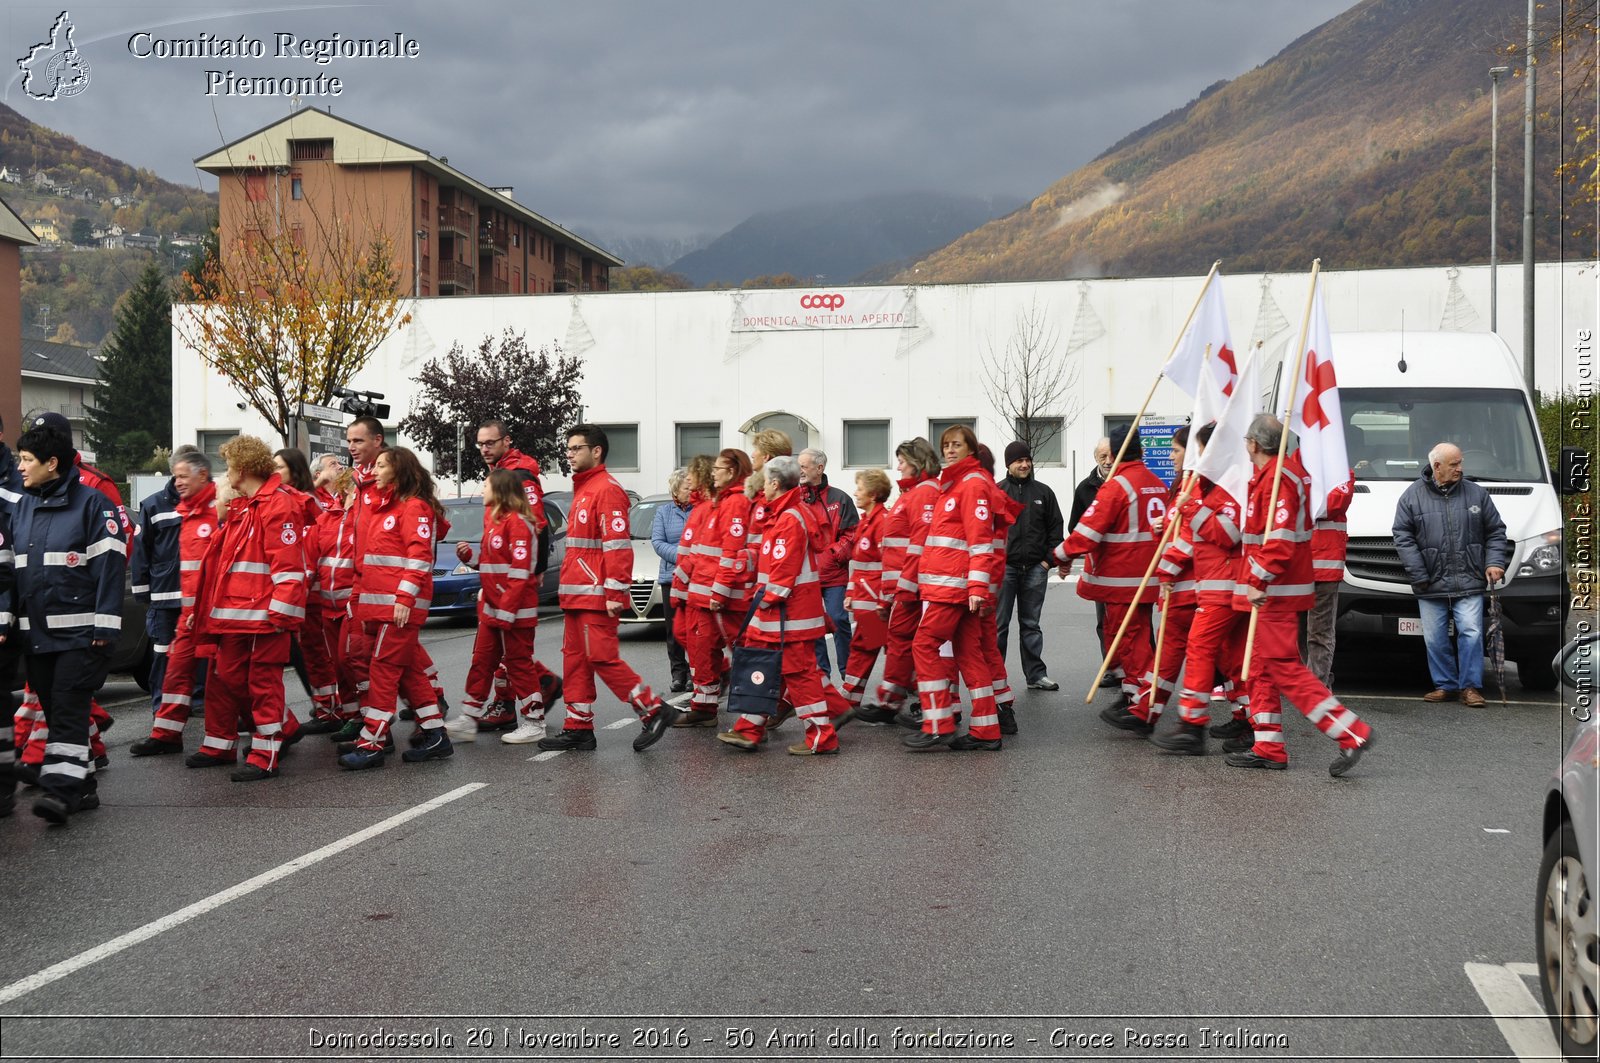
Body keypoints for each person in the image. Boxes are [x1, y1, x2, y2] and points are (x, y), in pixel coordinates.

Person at [1226, 414, 1376, 776]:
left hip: (1275, 592)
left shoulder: (1279, 479)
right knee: (1261, 668)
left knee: (1285, 670)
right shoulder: (1271, 476)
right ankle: (1269, 745)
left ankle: (1351, 732)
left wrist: (1257, 580)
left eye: (1247, 440)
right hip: (1271, 592)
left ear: (1254, 444)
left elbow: (1278, 542)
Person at [10, 424, 124, 822]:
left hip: (81, 638)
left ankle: (59, 791)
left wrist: (105, 630)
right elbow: (13, 575)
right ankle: (83, 786)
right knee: (58, 711)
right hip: (37, 638)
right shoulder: (22, 508)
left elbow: (110, 570)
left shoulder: (94, 505)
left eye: (26, 460)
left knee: (70, 710)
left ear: (52, 463)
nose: (20, 468)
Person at [537, 425, 671, 753]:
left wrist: (615, 591)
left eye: (576, 448)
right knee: (575, 661)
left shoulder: (606, 489)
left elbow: (617, 545)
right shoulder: (584, 489)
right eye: (567, 448)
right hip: (577, 593)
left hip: (595, 593)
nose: (569, 454)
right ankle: (578, 727)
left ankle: (653, 709)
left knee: (601, 658)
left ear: (596, 451)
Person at [186, 435, 308, 782]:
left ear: (242, 468)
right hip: (237, 617)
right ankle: (281, 729)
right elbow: (226, 569)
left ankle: (266, 754)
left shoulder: (277, 505)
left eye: (229, 465)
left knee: (263, 684)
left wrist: (281, 615)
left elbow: (287, 566)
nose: (226, 472)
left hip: (264, 618)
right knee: (230, 677)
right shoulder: (248, 506)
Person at [716, 455, 842, 755]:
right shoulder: (783, 516)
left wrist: (766, 601)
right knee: (769, 670)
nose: (761, 484)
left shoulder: (789, 519)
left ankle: (821, 735)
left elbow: (783, 573)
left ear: (774, 483)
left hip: (787, 616)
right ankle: (749, 730)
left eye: (764, 479)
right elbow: (771, 561)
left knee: (800, 676)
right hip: (782, 615)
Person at [338, 446, 452, 769]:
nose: (375, 470)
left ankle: (371, 743)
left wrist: (404, 599)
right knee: (411, 674)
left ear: (399, 471)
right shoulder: (389, 506)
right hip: (382, 608)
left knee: (383, 673)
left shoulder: (413, 508)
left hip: (398, 609)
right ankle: (436, 735)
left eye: (383, 465)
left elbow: (418, 557)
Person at [1053, 426, 1167, 731]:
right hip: (1144, 580)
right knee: (1126, 640)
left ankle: (1144, 708)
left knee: (1131, 643)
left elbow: (1087, 532)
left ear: (1115, 454)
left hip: (1122, 581)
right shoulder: (1156, 484)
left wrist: (1058, 556)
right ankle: (1132, 696)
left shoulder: (1118, 486)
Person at [1148, 423, 1250, 755]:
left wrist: (1192, 510)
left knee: (1200, 647)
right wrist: (1167, 568)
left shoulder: (1227, 486)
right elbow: (1192, 538)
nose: (1196, 456)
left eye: (1201, 449)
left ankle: (1191, 727)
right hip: (1218, 584)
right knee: (1233, 657)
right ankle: (1250, 720)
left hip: (1226, 584)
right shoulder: (1211, 487)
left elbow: (1229, 533)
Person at [904, 425, 1006, 752]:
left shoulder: (971, 485)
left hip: (954, 587)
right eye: (946, 445)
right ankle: (986, 729)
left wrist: (977, 586)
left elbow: (980, 541)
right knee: (969, 653)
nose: (949, 450)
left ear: (971, 449)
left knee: (923, 645)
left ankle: (938, 723)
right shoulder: (956, 484)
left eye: (957, 445)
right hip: (955, 585)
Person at [1392, 441, 1509, 708]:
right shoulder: (1411, 496)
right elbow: (1403, 537)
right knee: (1434, 637)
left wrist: (1494, 562)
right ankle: (1445, 685)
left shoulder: (1477, 494)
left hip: (1469, 579)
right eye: (1454, 464)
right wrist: (1419, 573)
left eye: (1460, 463)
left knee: (1471, 632)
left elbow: (1495, 531)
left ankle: (1470, 687)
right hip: (1429, 582)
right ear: (1437, 466)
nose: (1460, 468)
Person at [129, 450, 217, 755]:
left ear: (201, 475)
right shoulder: (154, 505)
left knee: (212, 667)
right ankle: (163, 723)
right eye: (175, 475)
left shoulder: (216, 508)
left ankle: (220, 721)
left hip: (202, 606)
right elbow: (141, 551)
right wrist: (143, 594)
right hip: (166, 602)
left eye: (182, 475)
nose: (177, 481)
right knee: (166, 664)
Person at [449, 469, 546, 744]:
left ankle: (534, 721)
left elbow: (519, 571)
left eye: (486, 485)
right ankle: (469, 719)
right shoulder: (496, 521)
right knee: (482, 662)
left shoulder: (518, 523)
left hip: (514, 611)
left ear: (501, 490)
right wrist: (471, 559)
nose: (482, 490)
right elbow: (494, 566)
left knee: (519, 664)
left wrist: (506, 611)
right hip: (494, 609)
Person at [860, 437, 941, 725]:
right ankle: (892, 699)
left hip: (913, 588)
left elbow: (917, 547)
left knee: (913, 645)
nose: (898, 467)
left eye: (903, 462)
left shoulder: (922, 494)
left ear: (916, 463)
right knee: (902, 643)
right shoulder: (914, 494)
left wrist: (902, 590)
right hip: (905, 587)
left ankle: (929, 707)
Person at [996, 440, 1064, 691]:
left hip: (1036, 568)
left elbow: (1056, 528)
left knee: (1031, 625)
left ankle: (1035, 675)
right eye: (1018, 461)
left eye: (1027, 460)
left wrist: (1048, 562)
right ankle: (995, 676)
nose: (1024, 464)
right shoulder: (997, 492)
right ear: (1009, 465)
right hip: (1005, 569)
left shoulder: (1044, 493)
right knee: (998, 626)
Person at [671, 454, 724, 727]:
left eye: (691, 474)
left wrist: (681, 586)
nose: (687, 479)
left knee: (702, 646)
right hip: (690, 591)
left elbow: (699, 556)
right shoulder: (701, 509)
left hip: (700, 591)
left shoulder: (708, 509)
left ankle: (705, 705)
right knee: (688, 639)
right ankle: (715, 683)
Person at [799, 447, 859, 679]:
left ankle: (848, 674)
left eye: (804, 466)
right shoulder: (795, 498)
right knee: (813, 627)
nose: (800, 471)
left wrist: (831, 556)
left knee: (838, 620)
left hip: (833, 575)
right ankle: (822, 677)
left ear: (819, 468)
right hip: (806, 576)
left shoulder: (840, 498)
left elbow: (852, 534)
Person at [839, 468, 892, 710]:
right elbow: (857, 563)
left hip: (875, 604)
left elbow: (889, 564)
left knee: (866, 649)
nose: (855, 493)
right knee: (872, 648)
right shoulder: (866, 522)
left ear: (873, 493)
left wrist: (883, 600)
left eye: (860, 489)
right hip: (865, 601)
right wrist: (850, 593)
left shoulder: (882, 522)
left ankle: (850, 699)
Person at [1070, 436, 1118, 687]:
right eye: (1103, 457)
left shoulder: (1126, 483)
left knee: (1135, 620)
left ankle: (1141, 669)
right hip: (1100, 566)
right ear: (1095, 459)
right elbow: (1074, 527)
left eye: (1112, 455)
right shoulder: (1085, 489)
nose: (1108, 461)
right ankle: (1110, 667)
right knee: (1105, 621)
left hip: (1128, 565)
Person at [650, 468, 694, 693]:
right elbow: (657, 542)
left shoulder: (699, 511)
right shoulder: (663, 512)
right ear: (676, 490)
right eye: (687, 488)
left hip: (697, 578)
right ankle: (679, 674)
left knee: (695, 629)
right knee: (674, 630)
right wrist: (683, 555)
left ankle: (696, 674)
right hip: (671, 577)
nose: (691, 491)